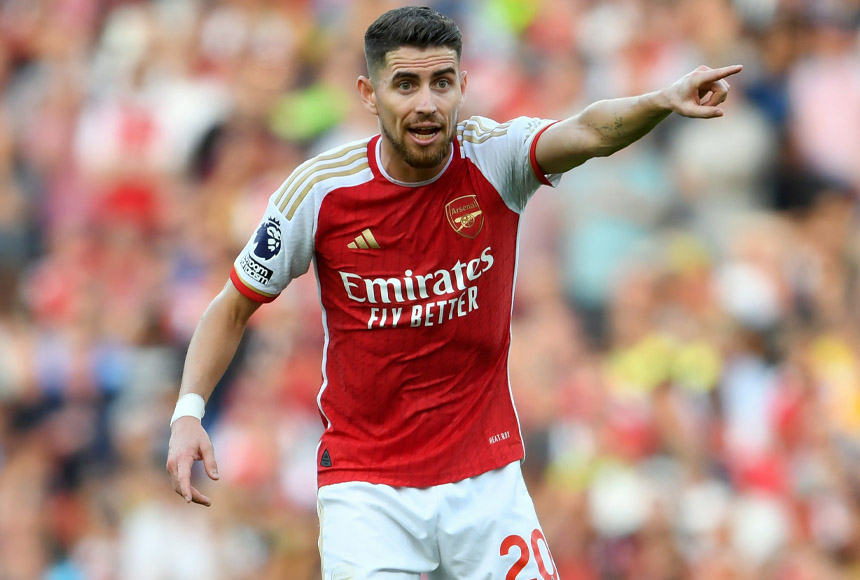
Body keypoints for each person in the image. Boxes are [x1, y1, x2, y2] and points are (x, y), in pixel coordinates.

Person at [166, 5, 741, 579]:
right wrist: (189, 412)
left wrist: (661, 100)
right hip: (368, 492)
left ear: (462, 85)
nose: (427, 103)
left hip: (485, 480)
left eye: (441, 83)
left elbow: (589, 130)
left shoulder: (495, 157)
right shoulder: (320, 192)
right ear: (369, 94)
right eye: (405, 85)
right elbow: (233, 306)